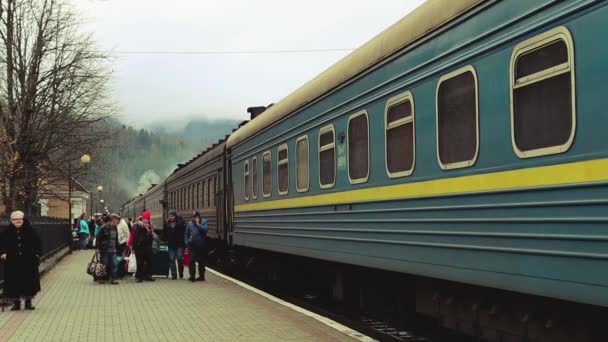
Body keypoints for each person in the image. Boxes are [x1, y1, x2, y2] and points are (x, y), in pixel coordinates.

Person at [0, 211, 42, 310]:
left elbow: (38, 244)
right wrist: (2, 254)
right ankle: (16, 303)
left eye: (19, 219)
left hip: (29, 261)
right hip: (12, 262)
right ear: (11, 221)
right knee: (14, 282)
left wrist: (37, 255)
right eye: (15, 219)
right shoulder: (6, 232)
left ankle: (28, 302)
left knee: (29, 282)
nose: (17, 221)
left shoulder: (31, 231)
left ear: (23, 219)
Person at [95, 213, 121, 285]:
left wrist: (117, 247)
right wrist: (97, 248)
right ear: (113, 220)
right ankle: (101, 278)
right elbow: (98, 237)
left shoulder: (115, 228)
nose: (118, 222)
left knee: (114, 264)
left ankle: (112, 278)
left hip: (113, 249)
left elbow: (116, 239)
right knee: (104, 264)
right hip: (105, 249)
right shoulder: (104, 227)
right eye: (117, 220)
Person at [161, 210, 186, 280]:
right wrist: (163, 240)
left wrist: (185, 242)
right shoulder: (167, 223)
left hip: (180, 244)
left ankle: (181, 272)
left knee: (179, 258)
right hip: (171, 244)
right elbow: (164, 233)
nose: (170, 217)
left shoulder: (181, 223)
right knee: (172, 259)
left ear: (175, 216)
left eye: (172, 216)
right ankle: (174, 274)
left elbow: (185, 232)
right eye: (169, 216)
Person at [184, 211, 208, 282]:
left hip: (201, 245)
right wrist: (186, 242)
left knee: (201, 261)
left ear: (199, 217)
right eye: (193, 217)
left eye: (196, 217)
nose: (194, 219)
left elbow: (205, 229)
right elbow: (186, 234)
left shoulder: (204, 222)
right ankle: (192, 276)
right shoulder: (189, 223)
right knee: (191, 260)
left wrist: (198, 224)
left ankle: (201, 276)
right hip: (192, 245)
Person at [132, 210, 155, 282]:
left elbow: (151, 236)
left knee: (149, 261)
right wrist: (133, 248)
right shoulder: (138, 226)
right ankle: (139, 276)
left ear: (149, 219)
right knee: (140, 262)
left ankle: (148, 275)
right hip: (140, 247)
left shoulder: (150, 226)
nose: (145, 220)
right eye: (144, 218)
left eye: (147, 219)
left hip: (148, 246)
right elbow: (135, 237)